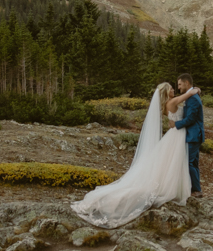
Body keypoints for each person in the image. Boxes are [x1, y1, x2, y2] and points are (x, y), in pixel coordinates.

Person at [70, 80, 200, 228]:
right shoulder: (172, 102)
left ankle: (179, 188)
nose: (174, 90)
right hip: (177, 135)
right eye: (171, 88)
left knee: (171, 163)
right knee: (173, 162)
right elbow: (190, 93)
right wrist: (195, 89)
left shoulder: (168, 104)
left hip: (175, 134)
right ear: (165, 92)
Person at [173, 71, 204, 199]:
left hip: (193, 135)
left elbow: (190, 119)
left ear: (187, 83)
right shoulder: (191, 96)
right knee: (193, 163)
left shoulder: (193, 98)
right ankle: (196, 189)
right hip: (194, 134)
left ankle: (196, 190)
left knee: (188, 162)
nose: (178, 87)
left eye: (180, 84)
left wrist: (176, 125)